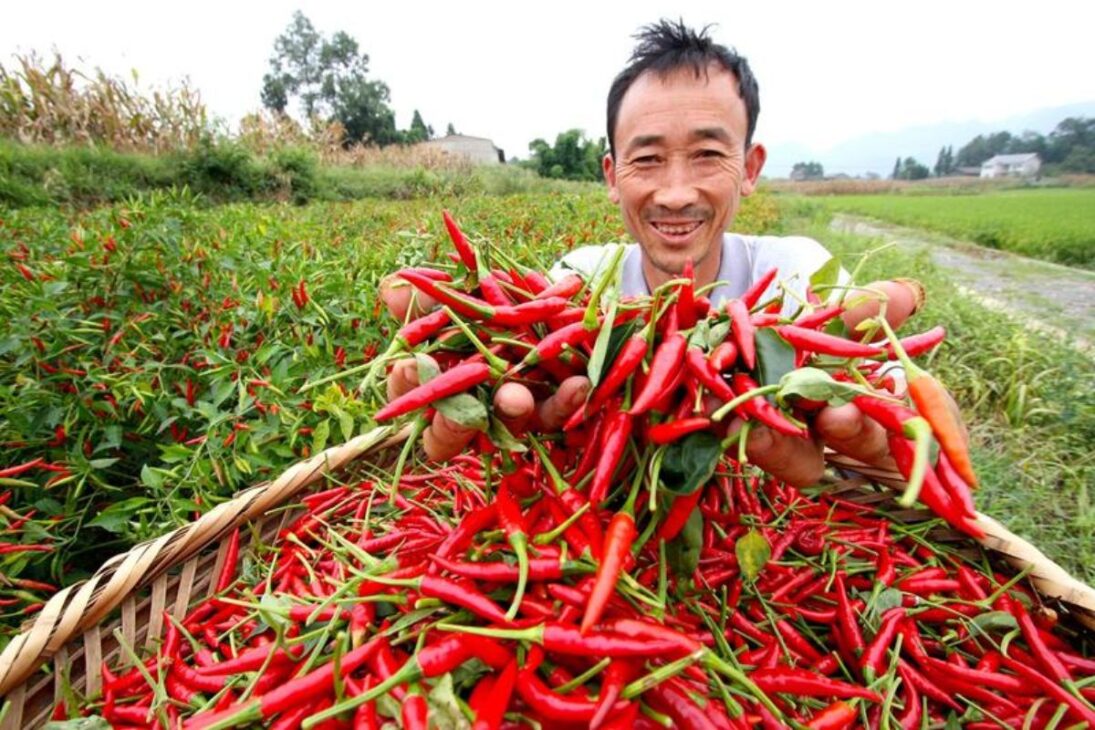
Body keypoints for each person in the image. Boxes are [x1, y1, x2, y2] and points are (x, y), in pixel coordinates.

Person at [380, 19, 926, 486]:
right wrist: (452, 336)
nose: (676, 193)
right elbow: (518, 349)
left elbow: (906, 433)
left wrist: (887, 448)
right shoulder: (582, 281)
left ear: (750, 167)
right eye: (647, 159)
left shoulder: (799, 277)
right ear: (612, 175)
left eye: (707, 154)